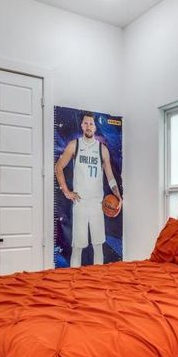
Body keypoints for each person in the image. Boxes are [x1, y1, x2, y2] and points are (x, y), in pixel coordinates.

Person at [55, 112, 121, 267]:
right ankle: (74, 281)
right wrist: (66, 192)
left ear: (95, 127)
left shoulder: (102, 149)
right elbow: (58, 167)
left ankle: (97, 281)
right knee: (77, 248)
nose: (88, 126)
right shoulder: (74, 145)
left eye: (91, 124)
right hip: (81, 203)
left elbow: (110, 176)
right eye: (86, 123)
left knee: (98, 246)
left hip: (98, 204)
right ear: (82, 125)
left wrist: (118, 196)